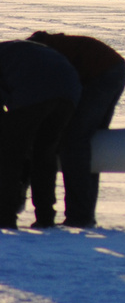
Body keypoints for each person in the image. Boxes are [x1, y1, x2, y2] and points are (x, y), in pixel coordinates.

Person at [26, 31, 125, 228]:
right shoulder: (35, 55)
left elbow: (55, 96)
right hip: (107, 69)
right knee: (85, 143)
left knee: (74, 143)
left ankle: (80, 216)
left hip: (103, 73)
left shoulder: (37, 60)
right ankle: (83, 214)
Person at [0, 39, 82, 229]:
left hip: (34, 91)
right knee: (44, 155)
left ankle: (5, 217)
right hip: (69, 92)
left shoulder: (10, 55)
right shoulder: (14, 51)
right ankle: (45, 217)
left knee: (10, 156)